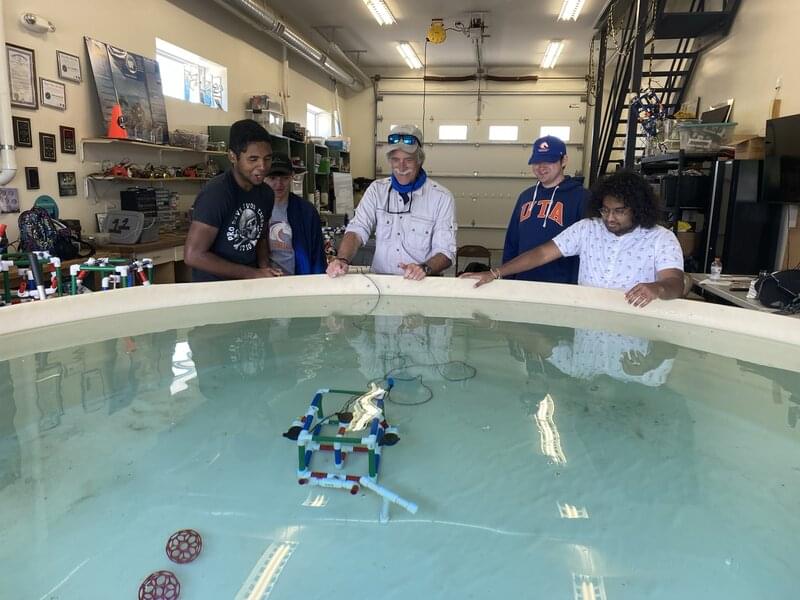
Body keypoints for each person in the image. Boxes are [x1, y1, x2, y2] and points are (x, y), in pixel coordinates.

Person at [461, 170, 685, 307]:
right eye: (605, 210)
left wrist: (656, 288)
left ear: (638, 208)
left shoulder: (661, 239)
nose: (610, 218)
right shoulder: (588, 229)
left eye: (619, 211)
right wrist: (494, 273)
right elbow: (542, 253)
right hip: (586, 323)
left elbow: (675, 283)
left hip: (635, 326)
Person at [326, 124, 457, 280]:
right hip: (381, 284)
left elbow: (446, 251)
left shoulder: (441, 198)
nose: (401, 167)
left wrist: (424, 268)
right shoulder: (376, 190)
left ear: (420, 160)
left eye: (408, 160)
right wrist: (342, 259)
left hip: (422, 285)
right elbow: (357, 229)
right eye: (395, 160)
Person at [185, 119, 281, 282]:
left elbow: (261, 238)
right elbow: (193, 255)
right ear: (232, 157)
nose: (263, 166)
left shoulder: (266, 194)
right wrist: (253, 274)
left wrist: (264, 269)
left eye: (267, 158)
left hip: (248, 284)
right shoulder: (217, 193)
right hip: (215, 289)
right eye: (253, 159)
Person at [503, 135, 590, 283]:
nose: (541, 167)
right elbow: (512, 242)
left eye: (548, 161)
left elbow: (590, 246)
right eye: (536, 162)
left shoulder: (582, 197)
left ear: (564, 161)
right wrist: (507, 278)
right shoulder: (526, 196)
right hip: (524, 283)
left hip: (562, 287)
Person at [264, 153, 326, 275]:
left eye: (284, 178)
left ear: (292, 176)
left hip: (298, 284)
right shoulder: (254, 210)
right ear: (263, 178)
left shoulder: (307, 212)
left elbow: (318, 256)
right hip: (265, 284)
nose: (279, 184)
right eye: (272, 178)